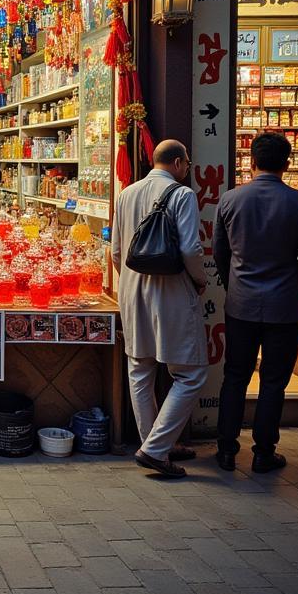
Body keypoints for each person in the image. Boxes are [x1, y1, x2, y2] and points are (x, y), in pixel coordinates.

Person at [214, 132, 298, 473]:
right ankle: (263, 452)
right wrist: (292, 284)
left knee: (235, 376)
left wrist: (236, 284)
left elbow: (220, 254)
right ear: (287, 164)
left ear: (251, 161)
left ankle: (226, 449)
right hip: (284, 306)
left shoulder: (230, 200)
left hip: (241, 303)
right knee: (274, 381)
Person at [111, 139, 207, 478]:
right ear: (179, 163)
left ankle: (155, 443)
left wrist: (130, 283)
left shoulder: (126, 194)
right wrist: (200, 280)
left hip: (132, 290)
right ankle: (155, 448)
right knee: (190, 373)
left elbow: (116, 251)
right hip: (171, 293)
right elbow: (191, 249)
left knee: (140, 369)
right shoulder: (182, 195)